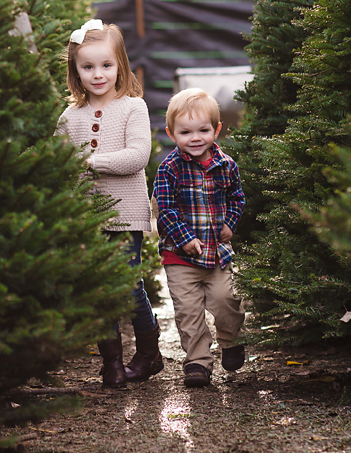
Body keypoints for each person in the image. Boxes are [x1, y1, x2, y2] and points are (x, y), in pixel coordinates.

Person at [55, 19, 162, 388]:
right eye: (87, 67)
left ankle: (149, 354)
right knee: (98, 289)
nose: (97, 74)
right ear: (76, 72)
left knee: (129, 286)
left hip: (126, 215)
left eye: (106, 65)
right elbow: (58, 162)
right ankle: (112, 362)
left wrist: (91, 162)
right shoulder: (70, 117)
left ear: (120, 66)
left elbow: (138, 156)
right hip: (87, 219)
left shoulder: (133, 107)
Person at [153, 87, 246, 388]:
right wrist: (185, 239)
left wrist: (230, 223)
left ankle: (231, 341)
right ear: (171, 133)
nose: (195, 138)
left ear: (216, 129)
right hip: (180, 257)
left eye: (203, 130)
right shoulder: (169, 169)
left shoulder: (226, 166)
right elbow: (164, 210)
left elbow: (237, 198)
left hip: (218, 254)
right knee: (188, 311)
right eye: (185, 132)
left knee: (226, 300)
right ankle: (197, 362)